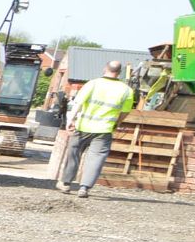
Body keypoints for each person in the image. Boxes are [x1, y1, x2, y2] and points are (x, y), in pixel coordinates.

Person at [56, 61, 137, 196]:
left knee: (74, 154)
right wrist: (117, 123)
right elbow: (125, 111)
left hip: (83, 127)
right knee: (96, 159)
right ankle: (84, 188)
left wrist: (70, 120)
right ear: (120, 72)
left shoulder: (93, 84)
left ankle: (66, 183)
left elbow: (78, 103)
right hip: (104, 130)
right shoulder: (126, 90)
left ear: (105, 69)